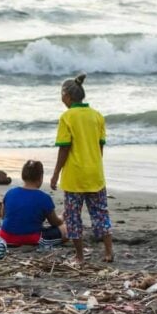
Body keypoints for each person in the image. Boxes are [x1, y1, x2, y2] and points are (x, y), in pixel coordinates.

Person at [49, 73, 113, 264]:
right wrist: (94, 164)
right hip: (95, 174)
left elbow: (64, 148)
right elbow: (100, 147)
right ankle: (108, 252)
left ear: (66, 96)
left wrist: (55, 174)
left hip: (74, 177)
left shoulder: (67, 117)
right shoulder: (97, 116)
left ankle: (79, 256)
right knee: (101, 213)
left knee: (73, 217)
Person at [0, 160, 65, 247]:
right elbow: (55, 222)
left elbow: (3, 215)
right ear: (41, 177)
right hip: (31, 238)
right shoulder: (44, 197)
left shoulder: (10, 192)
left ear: (23, 176)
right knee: (66, 229)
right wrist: (63, 217)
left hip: (5, 237)